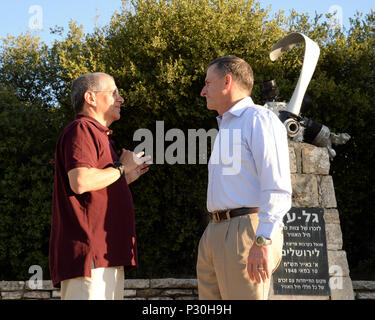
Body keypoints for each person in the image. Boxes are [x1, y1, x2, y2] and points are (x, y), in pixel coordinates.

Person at [196, 56, 292, 300]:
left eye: (208, 83)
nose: (202, 91)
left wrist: (263, 240)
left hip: (246, 233)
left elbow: (277, 187)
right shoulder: (227, 126)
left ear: (227, 81)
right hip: (215, 232)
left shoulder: (259, 119)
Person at [49, 72, 151, 300]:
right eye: (114, 92)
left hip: (105, 257)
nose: (121, 99)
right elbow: (81, 181)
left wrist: (123, 180)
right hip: (90, 258)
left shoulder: (100, 135)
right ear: (90, 98)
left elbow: (95, 183)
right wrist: (121, 169)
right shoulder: (81, 130)